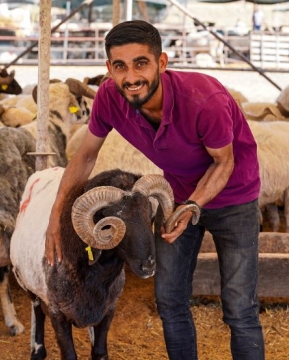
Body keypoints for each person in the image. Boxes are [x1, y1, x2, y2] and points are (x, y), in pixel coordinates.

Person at [44, 20, 264, 359]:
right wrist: (56, 215)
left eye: (141, 63)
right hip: (174, 196)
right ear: (109, 68)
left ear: (161, 63)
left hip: (234, 198)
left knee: (238, 304)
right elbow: (85, 156)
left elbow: (224, 163)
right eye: (120, 66)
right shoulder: (108, 97)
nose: (131, 78)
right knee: (169, 299)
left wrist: (192, 206)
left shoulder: (206, 101)